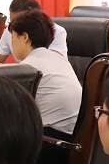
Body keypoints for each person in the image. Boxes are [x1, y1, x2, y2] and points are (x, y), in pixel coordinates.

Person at [6, 9, 82, 137]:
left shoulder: (28, 68)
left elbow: (14, 111)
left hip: (50, 139)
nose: (12, 44)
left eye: (13, 37)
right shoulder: (60, 59)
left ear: (25, 37)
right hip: (76, 137)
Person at [0, 0, 68, 63]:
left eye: (19, 21)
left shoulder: (56, 32)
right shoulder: (11, 29)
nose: (14, 26)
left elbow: (49, 65)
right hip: (22, 78)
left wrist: (4, 68)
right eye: (12, 21)